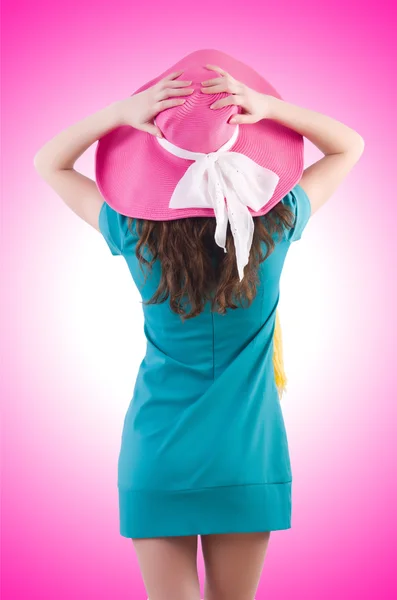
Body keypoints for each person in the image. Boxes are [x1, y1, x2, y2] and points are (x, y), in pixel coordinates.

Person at [34, 49, 364, 600]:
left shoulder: (134, 231)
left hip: (158, 451)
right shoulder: (277, 225)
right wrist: (266, 108)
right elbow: (349, 144)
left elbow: (50, 162)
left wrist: (119, 113)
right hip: (246, 451)